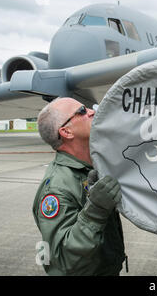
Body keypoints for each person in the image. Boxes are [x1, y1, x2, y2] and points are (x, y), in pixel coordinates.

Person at [32, 97, 126, 276]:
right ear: (66, 131)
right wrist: (95, 211)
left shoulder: (88, 169)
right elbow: (63, 260)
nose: (92, 111)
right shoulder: (56, 189)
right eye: (82, 111)